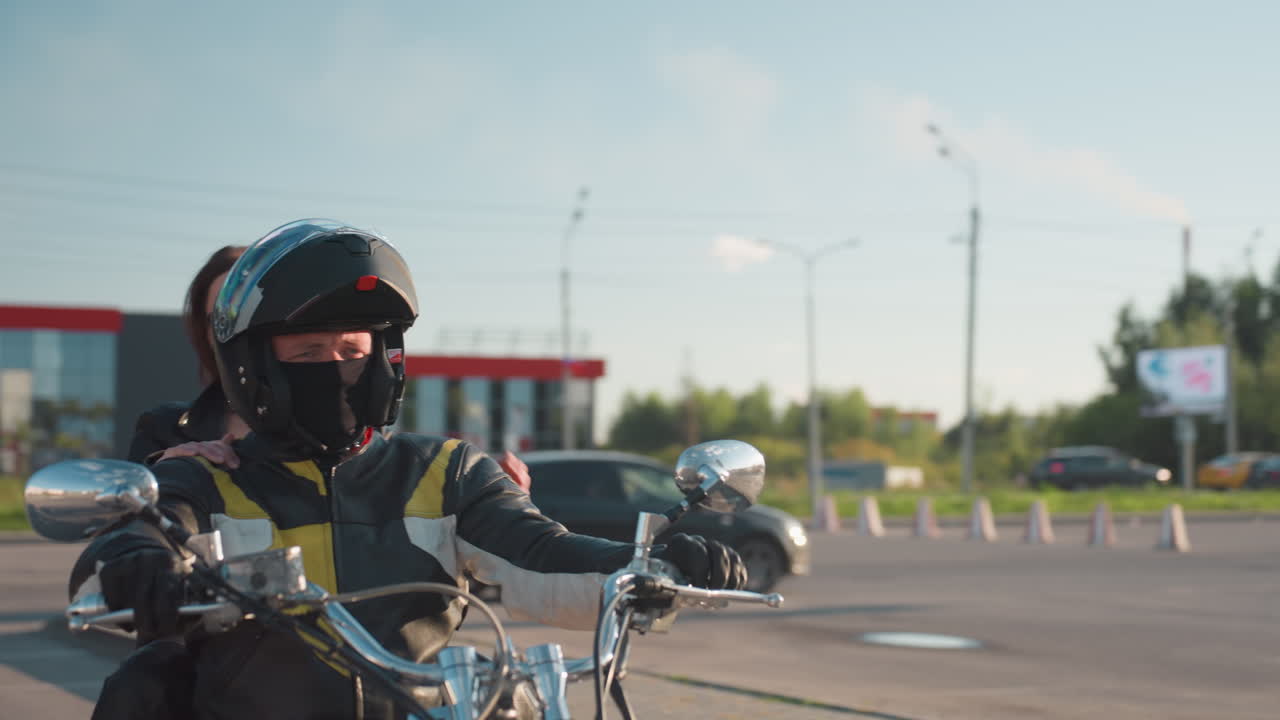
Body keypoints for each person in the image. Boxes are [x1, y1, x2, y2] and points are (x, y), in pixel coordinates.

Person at [72, 219, 746, 719]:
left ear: (386, 356)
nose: (335, 366)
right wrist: (139, 564)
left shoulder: (446, 470)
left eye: (352, 348)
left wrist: (652, 563)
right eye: (307, 350)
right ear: (255, 366)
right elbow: (126, 547)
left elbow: (541, 554)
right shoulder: (204, 475)